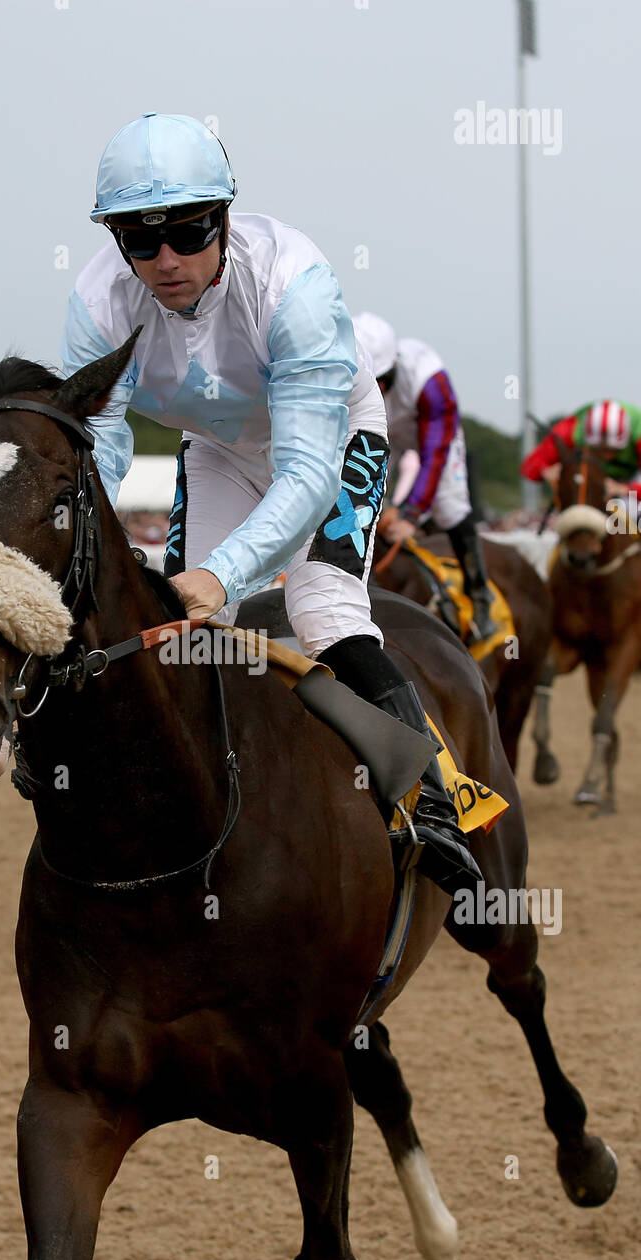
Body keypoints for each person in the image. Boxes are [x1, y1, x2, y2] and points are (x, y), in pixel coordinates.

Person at [61, 112, 480, 895]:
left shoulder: (294, 282)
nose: (166, 260)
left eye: (187, 232)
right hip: (217, 448)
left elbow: (307, 473)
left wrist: (224, 572)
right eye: (139, 241)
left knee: (321, 609)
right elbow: (102, 446)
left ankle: (438, 801)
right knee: (199, 634)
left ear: (223, 217)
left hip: (329, 440)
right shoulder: (99, 302)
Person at [354, 311, 498, 644]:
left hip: (428, 435)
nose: (370, 389)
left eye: (378, 381)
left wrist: (411, 514)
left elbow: (433, 457)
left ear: (390, 371)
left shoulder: (429, 380)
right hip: (379, 427)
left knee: (450, 506)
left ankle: (480, 596)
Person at [521, 400, 641, 499]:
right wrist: (545, 470)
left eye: (612, 450)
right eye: (599, 450)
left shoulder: (638, 432)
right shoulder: (570, 430)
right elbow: (528, 467)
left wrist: (627, 489)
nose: (606, 457)